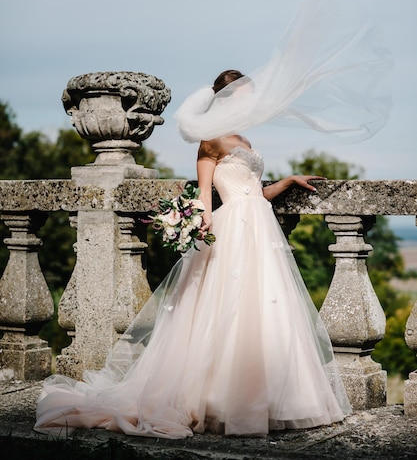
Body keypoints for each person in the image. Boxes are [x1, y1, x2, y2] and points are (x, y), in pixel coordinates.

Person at [34, 67, 352, 439]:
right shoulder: (210, 140)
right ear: (226, 98)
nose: (251, 100)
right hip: (233, 228)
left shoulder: (243, 138)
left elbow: (253, 192)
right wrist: (197, 221)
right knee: (228, 310)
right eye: (244, 94)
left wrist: (287, 182)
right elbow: (206, 195)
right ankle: (220, 400)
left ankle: (275, 400)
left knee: (266, 308)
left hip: (260, 226)